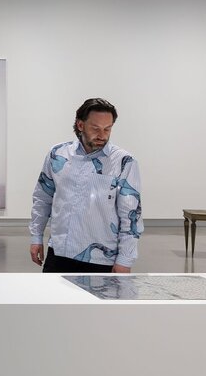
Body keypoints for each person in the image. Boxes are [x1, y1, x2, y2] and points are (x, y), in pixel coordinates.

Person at [29, 98, 143, 273]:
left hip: (100, 260)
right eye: (95, 128)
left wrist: (125, 260)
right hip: (59, 253)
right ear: (80, 125)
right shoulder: (57, 154)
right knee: (52, 301)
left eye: (108, 129)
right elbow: (42, 199)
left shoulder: (124, 162)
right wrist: (36, 237)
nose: (102, 135)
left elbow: (130, 216)